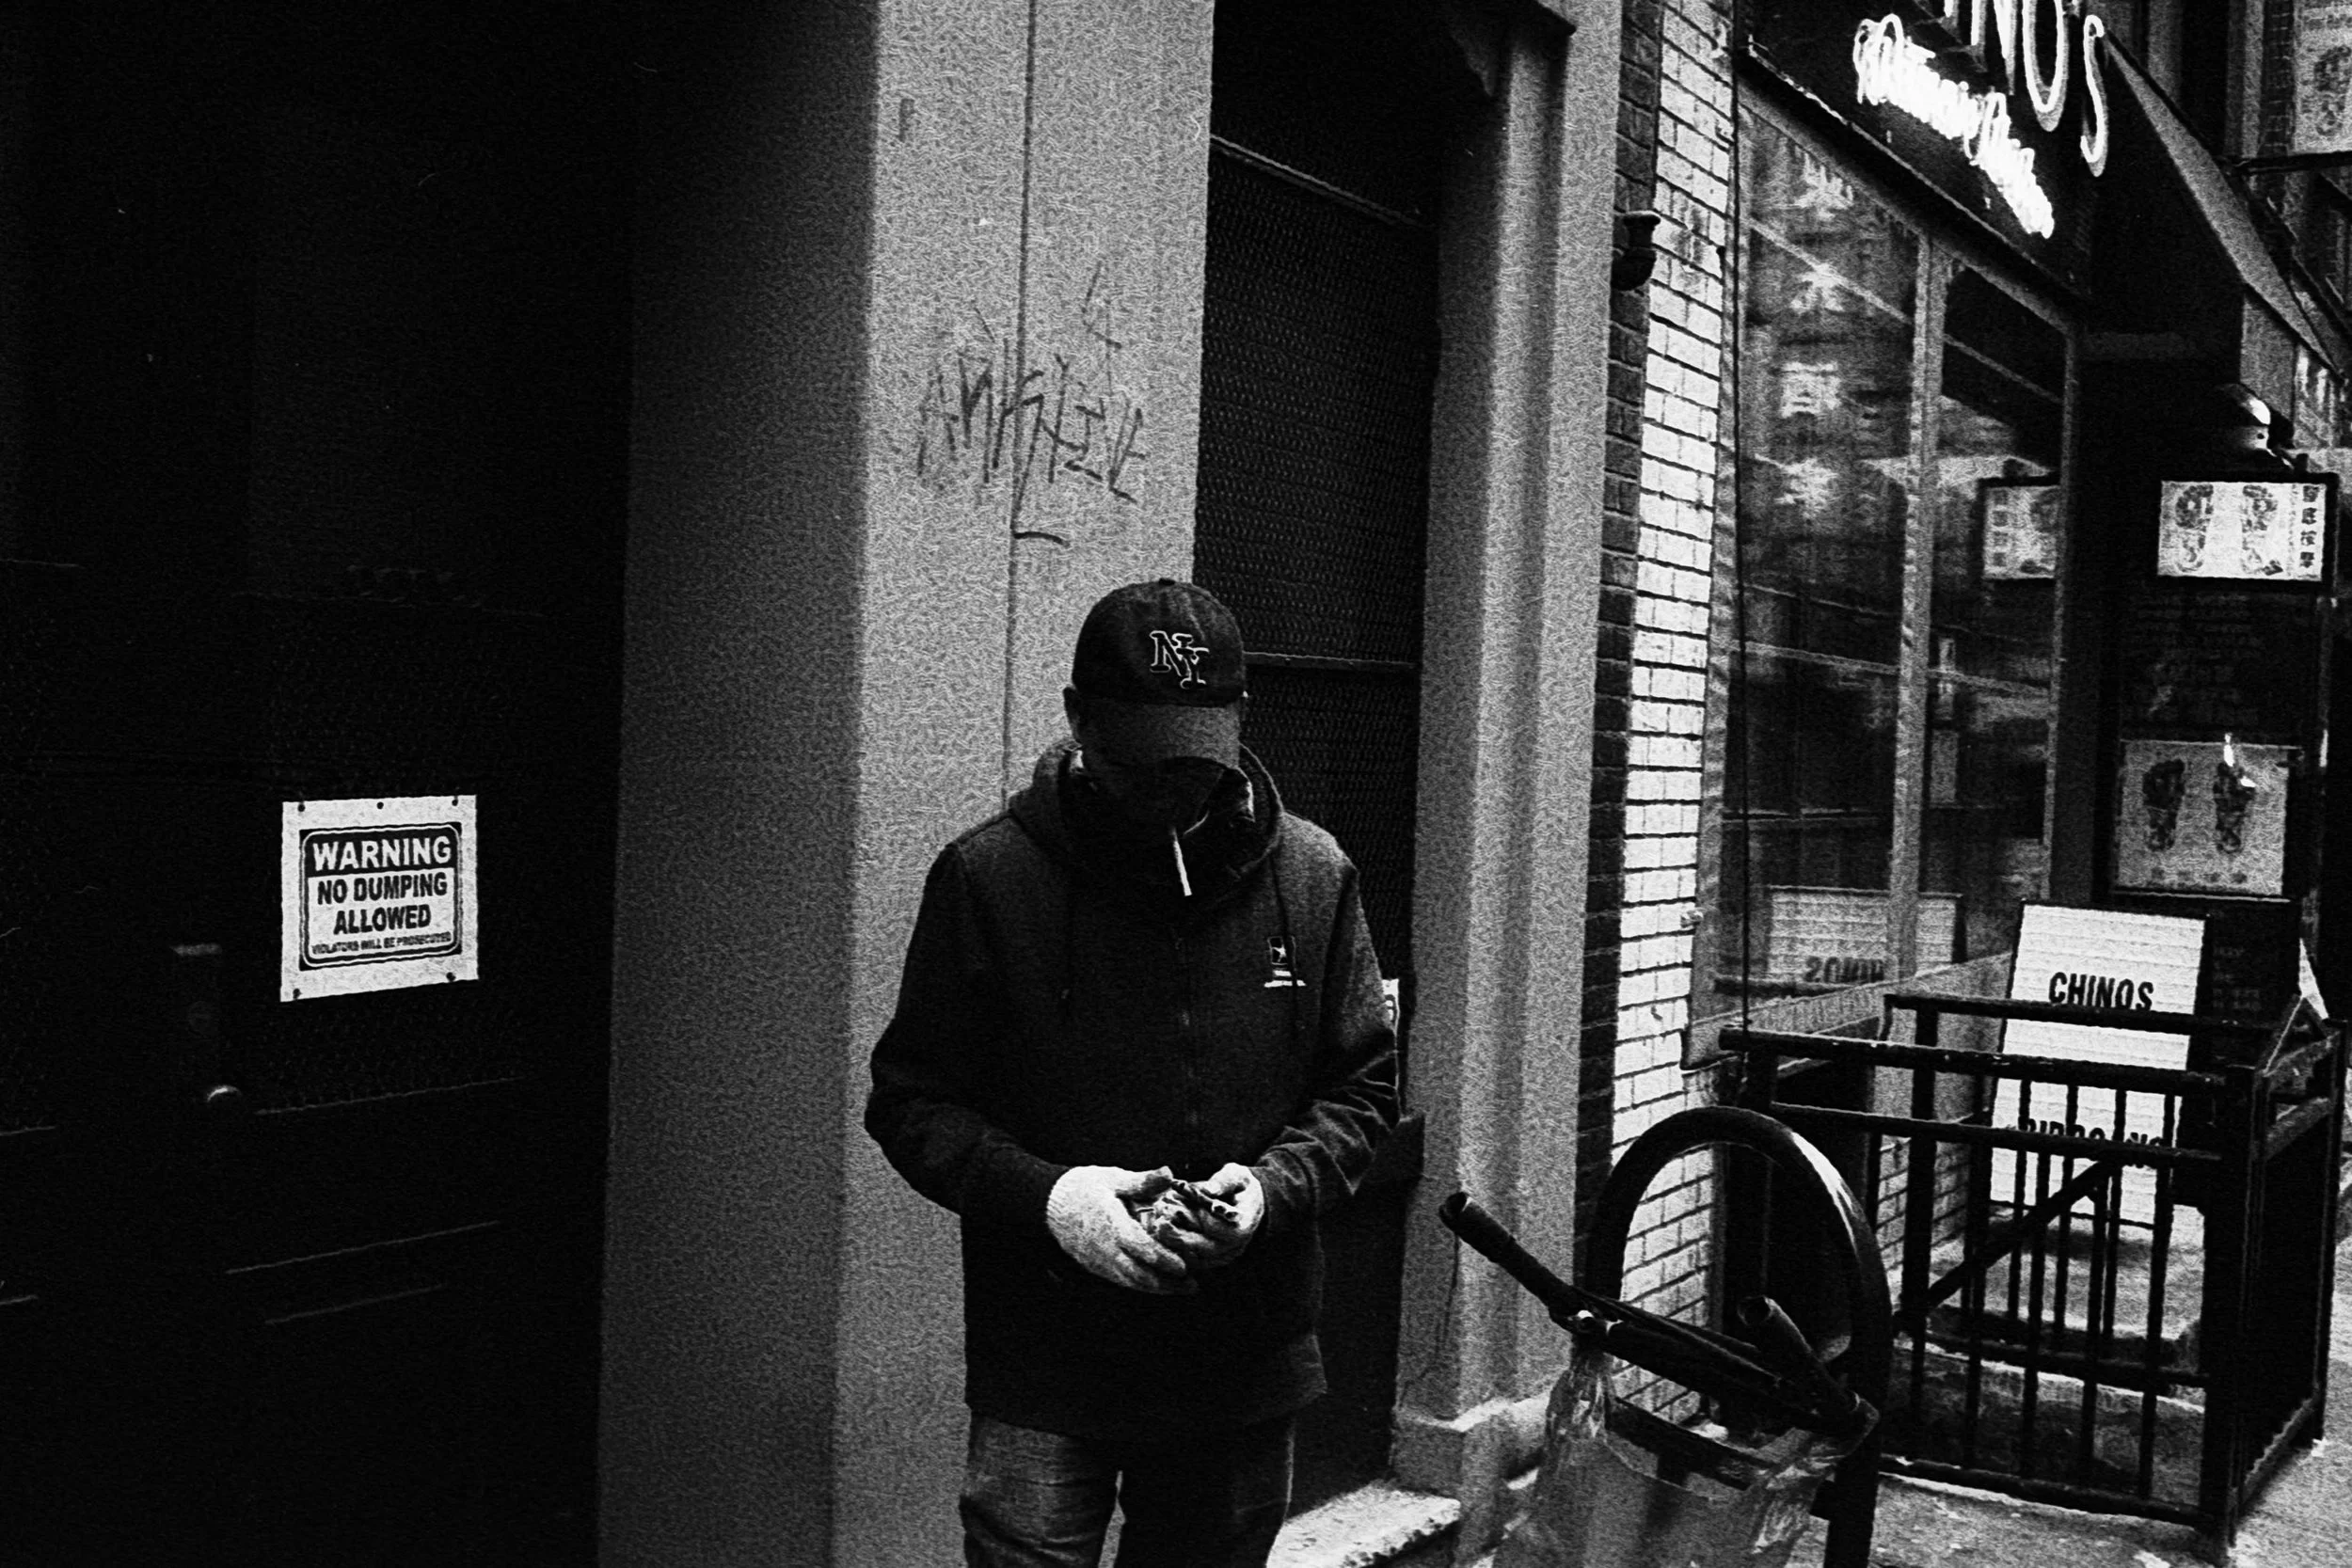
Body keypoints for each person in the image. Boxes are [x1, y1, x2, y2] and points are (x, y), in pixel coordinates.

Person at [866, 578, 1399, 1568]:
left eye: (1194, 760)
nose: (1170, 790)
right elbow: (910, 1100)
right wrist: (1054, 1198)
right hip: (1049, 1363)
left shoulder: (1313, 875)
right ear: (1077, 719)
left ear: (1237, 721)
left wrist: (1268, 1194)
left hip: (1242, 1362)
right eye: (1141, 757)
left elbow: (1363, 1089)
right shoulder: (988, 877)